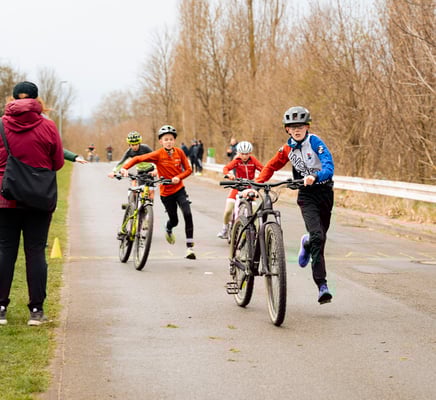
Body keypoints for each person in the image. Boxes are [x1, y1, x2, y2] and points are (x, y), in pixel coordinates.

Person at [0, 81, 64, 326]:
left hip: (5, 197)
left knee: (5, 250)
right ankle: (36, 311)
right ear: (38, 100)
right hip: (38, 198)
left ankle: (1, 308)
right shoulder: (48, 126)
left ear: (13, 98)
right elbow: (57, 162)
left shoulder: (1, 124)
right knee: (35, 251)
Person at [256, 106, 334, 304]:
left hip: (324, 192)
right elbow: (271, 166)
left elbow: (329, 166)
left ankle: (306, 243)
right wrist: (257, 184)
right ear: (287, 130)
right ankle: (322, 285)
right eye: (292, 127)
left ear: (307, 127)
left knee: (319, 237)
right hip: (306, 195)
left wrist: (315, 176)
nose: (297, 130)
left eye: (300, 126)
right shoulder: (287, 149)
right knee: (318, 237)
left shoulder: (315, 142)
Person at [120, 125, 196, 260]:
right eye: (166, 139)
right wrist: (125, 168)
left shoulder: (179, 152)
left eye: (171, 139)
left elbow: (189, 170)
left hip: (179, 189)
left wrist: (179, 177)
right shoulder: (158, 154)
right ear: (161, 141)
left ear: (174, 140)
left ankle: (189, 247)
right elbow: (138, 159)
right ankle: (169, 228)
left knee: (188, 213)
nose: (169, 142)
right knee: (174, 220)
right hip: (166, 193)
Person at [217, 141, 263, 239]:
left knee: (254, 211)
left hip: (250, 188)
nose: (244, 156)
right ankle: (225, 229)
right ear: (238, 153)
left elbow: (263, 170)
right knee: (228, 210)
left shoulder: (253, 161)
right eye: (242, 154)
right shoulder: (237, 161)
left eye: (247, 154)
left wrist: (259, 179)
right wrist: (229, 175)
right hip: (237, 187)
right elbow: (226, 168)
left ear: (250, 153)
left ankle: (255, 233)